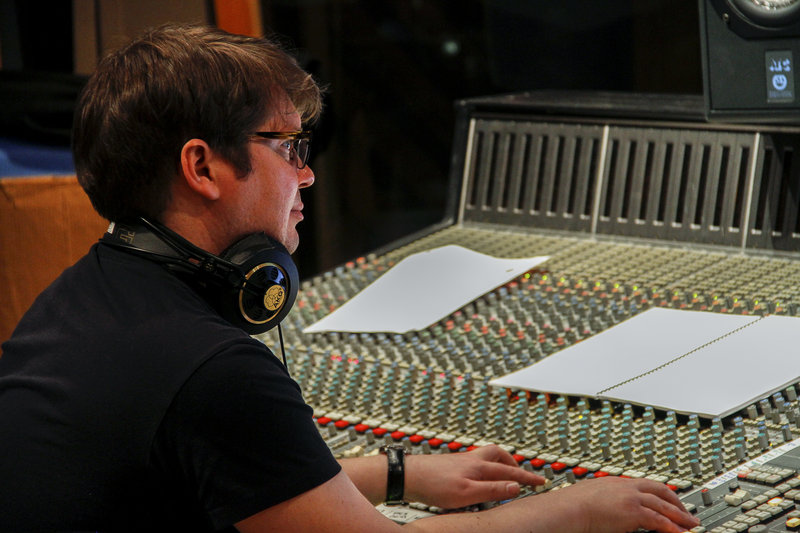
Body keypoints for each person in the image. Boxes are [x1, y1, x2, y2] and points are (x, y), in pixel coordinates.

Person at [0, 23, 700, 533]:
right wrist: (575, 507)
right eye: (288, 146)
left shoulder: (78, 298)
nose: (306, 173)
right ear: (202, 167)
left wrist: (402, 472)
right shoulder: (208, 369)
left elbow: (236, 478)